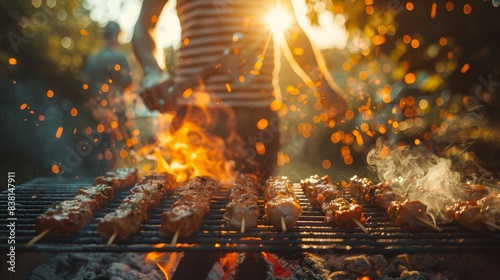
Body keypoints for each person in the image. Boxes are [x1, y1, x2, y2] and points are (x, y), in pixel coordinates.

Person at [132, 0, 348, 179]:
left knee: (260, 215)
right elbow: (144, 25)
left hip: (260, 122)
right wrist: (152, 72)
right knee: (188, 211)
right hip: (196, 121)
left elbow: (293, 32)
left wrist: (323, 84)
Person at [84, 21, 134, 167]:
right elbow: (129, 82)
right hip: (117, 111)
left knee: (101, 149)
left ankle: (103, 177)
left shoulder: (92, 59)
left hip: (96, 112)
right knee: (127, 146)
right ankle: (130, 172)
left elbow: (86, 86)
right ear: (117, 35)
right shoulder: (120, 57)